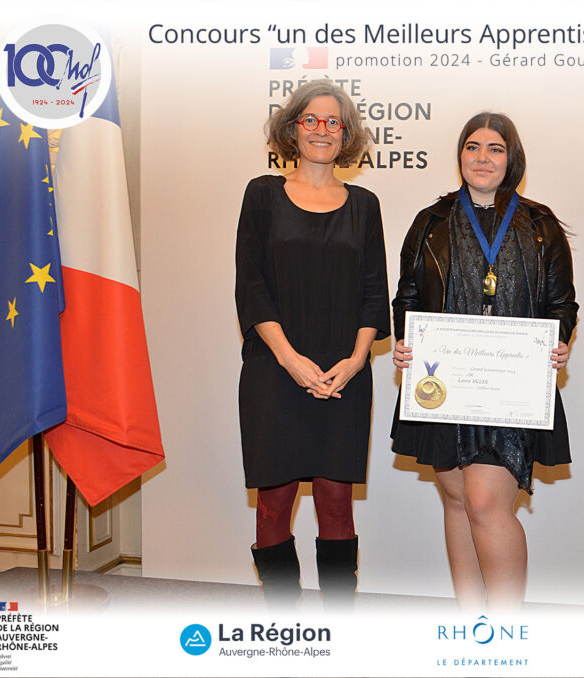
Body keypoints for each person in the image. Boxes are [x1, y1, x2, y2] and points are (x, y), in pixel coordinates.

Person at [391, 112, 577, 613]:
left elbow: (563, 305)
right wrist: (405, 342)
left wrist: (557, 344)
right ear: (460, 156)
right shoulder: (431, 221)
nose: (482, 157)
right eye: (472, 147)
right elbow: (407, 296)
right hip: (444, 382)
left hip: (510, 387)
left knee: (485, 502)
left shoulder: (540, 224)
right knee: (456, 501)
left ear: (511, 157)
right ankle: (472, 623)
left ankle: (508, 628)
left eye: (494, 148)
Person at [235, 80, 390, 608]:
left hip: (344, 372)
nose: (322, 130)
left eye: (334, 122)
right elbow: (251, 288)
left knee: (336, 500)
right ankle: (285, 624)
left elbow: (375, 293)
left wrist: (354, 361)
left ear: (346, 134)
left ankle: (337, 624)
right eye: (312, 120)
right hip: (275, 367)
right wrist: (291, 360)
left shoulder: (365, 205)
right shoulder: (261, 194)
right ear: (292, 128)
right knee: (274, 504)